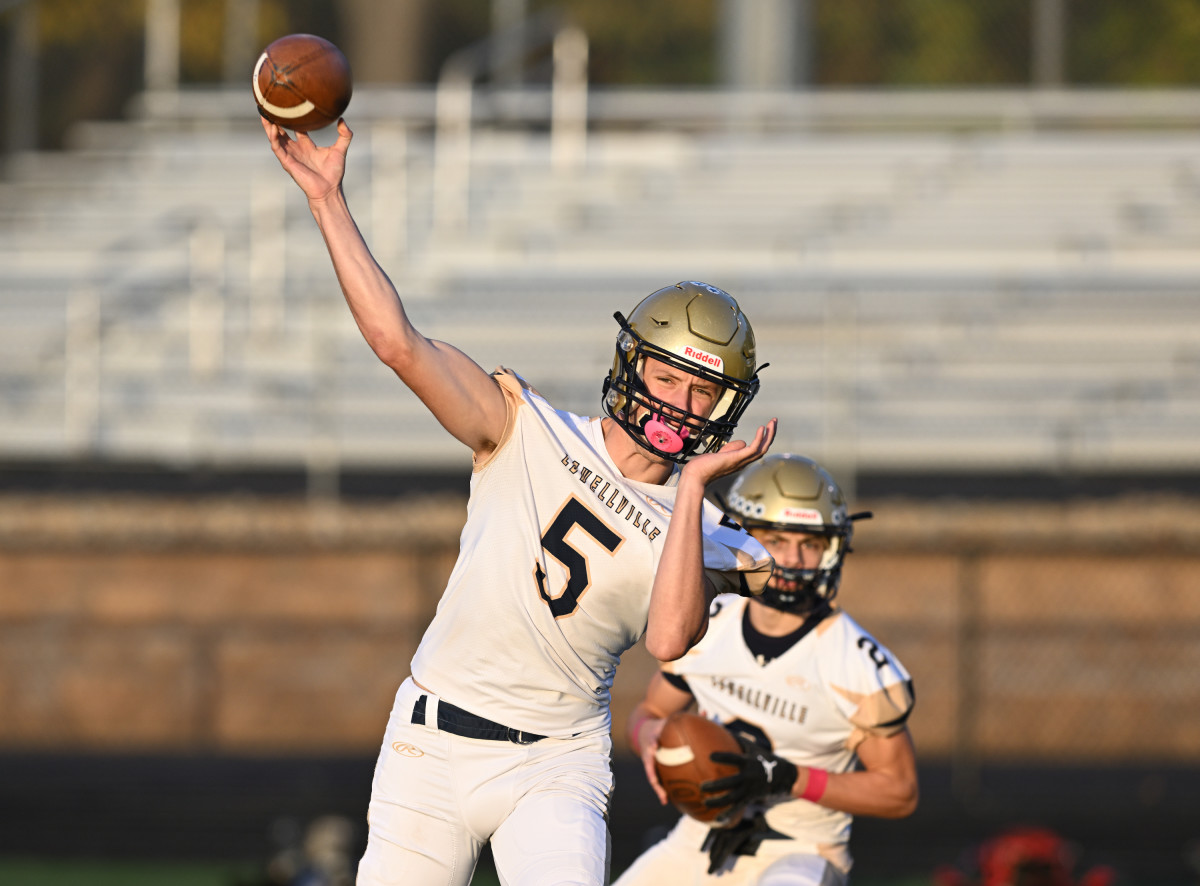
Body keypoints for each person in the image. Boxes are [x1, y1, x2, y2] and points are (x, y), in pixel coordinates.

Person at [259, 116, 779, 886]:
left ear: (725, 408)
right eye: (668, 378)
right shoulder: (525, 426)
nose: (681, 404)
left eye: (703, 391)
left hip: (555, 766)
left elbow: (670, 639)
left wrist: (698, 489)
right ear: (631, 367)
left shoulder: (704, 530)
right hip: (430, 747)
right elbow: (398, 343)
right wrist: (329, 203)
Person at [616, 454, 918, 886]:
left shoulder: (853, 660)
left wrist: (788, 777)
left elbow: (899, 791)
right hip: (698, 838)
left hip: (800, 851)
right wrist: (650, 739)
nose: (792, 559)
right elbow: (649, 712)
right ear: (744, 538)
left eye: (809, 544)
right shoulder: (710, 621)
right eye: (776, 540)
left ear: (831, 550)